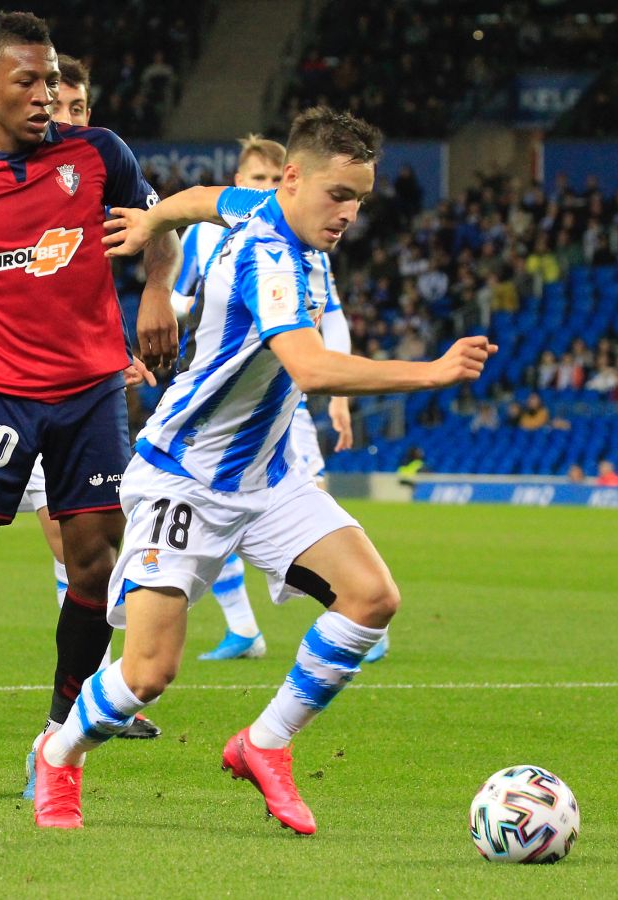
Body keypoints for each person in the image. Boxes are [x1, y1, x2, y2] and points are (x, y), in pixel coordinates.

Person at [31, 106, 496, 831]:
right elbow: (308, 370)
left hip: (267, 480)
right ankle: (59, 755)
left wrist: (154, 225)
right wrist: (430, 373)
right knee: (150, 672)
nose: (347, 214)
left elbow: (198, 200)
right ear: (292, 179)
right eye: (337, 195)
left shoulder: (264, 206)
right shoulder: (268, 255)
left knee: (370, 597)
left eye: (359, 200)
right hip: (182, 476)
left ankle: (263, 744)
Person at [0, 12, 180, 801]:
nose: (46, 94)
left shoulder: (98, 155)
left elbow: (160, 228)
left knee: (91, 569)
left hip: (90, 397)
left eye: (52, 79)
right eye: (28, 80)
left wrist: (156, 287)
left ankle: (58, 742)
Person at [170, 134, 366, 663]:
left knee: (307, 503)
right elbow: (174, 294)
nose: (266, 188)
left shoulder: (304, 241)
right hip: (221, 401)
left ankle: (356, 607)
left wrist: (340, 395)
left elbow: (332, 317)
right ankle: (244, 628)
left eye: (272, 179)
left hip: (288, 404)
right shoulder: (203, 239)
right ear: (239, 183)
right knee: (219, 508)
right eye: (256, 179)